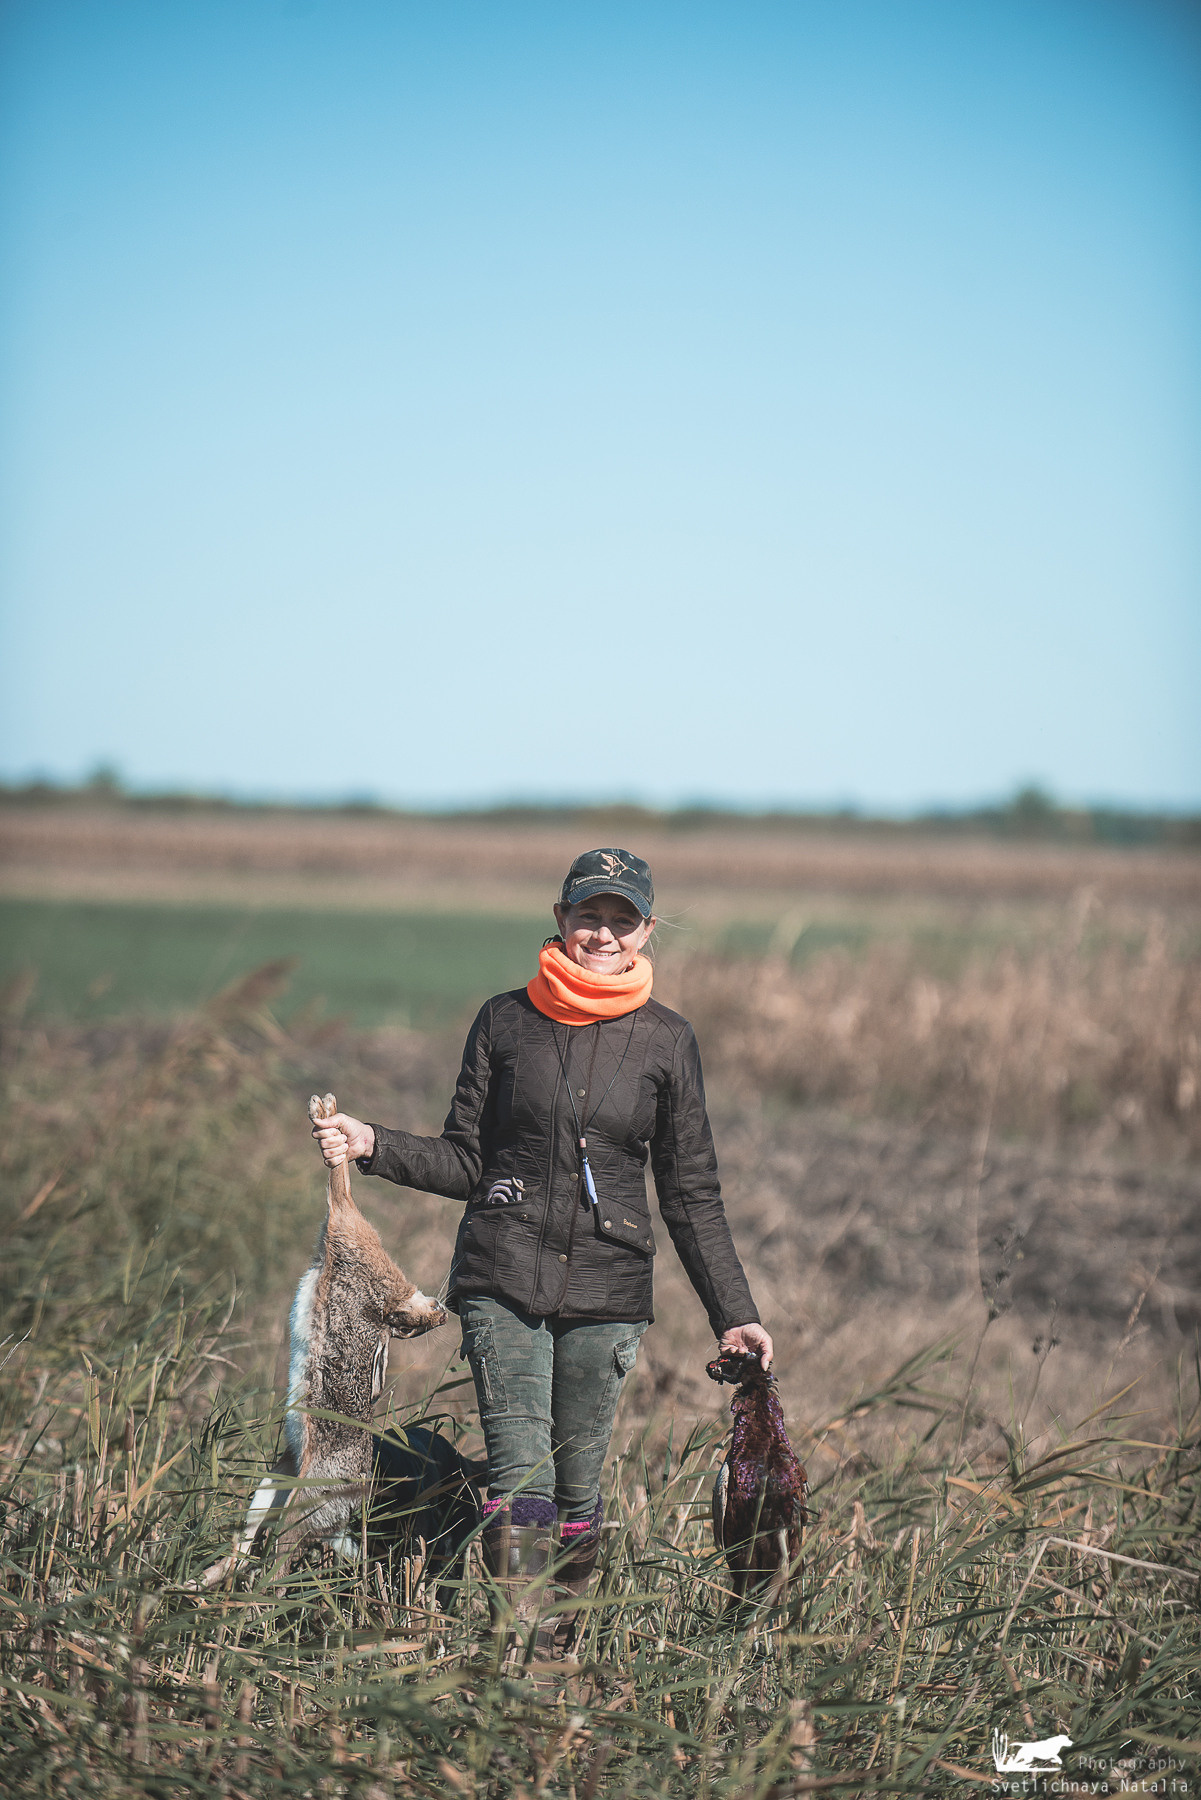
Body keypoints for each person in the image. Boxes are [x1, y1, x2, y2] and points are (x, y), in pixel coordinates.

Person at [312, 847, 772, 1659]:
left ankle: (559, 1649)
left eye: (620, 918)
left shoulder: (667, 1042)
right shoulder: (504, 1021)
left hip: (608, 1290)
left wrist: (733, 1314)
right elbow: (465, 1160)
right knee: (519, 1480)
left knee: (574, 1488)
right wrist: (372, 1142)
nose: (602, 932)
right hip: (502, 1276)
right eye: (587, 914)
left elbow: (690, 1192)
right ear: (559, 919)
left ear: (646, 931)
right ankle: (513, 1645)